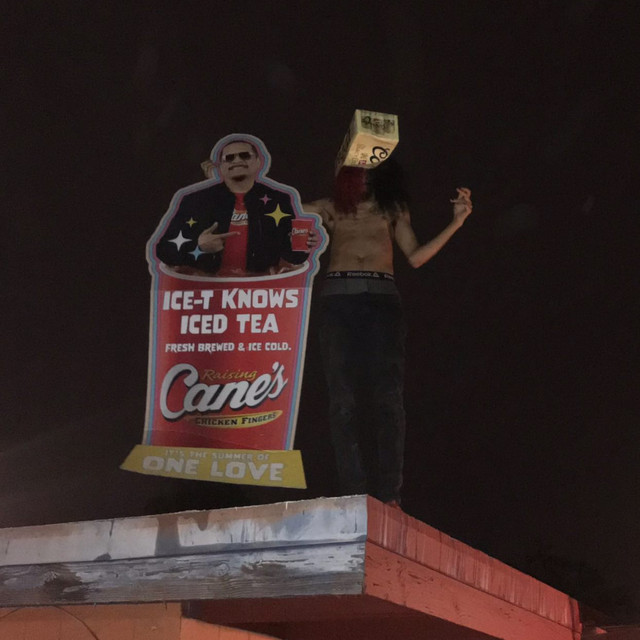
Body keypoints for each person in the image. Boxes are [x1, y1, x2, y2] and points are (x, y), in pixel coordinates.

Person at [304, 158, 473, 507]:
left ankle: (390, 494)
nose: (365, 177)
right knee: (342, 400)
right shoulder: (329, 207)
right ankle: (352, 491)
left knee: (388, 399)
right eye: (357, 170)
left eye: (371, 170)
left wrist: (456, 222)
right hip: (338, 300)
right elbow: (273, 207)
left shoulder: (392, 208)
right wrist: (220, 182)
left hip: (381, 300)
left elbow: (416, 257)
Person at [156, 137, 313, 276]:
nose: (236, 160)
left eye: (244, 155)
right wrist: (198, 245)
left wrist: (304, 245)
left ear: (258, 162)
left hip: (260, 289)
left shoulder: (279, 200)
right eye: (229, 158)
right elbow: (164, 251)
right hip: (208, 289)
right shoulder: (195, 201)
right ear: (221, 167)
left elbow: (295, 258)